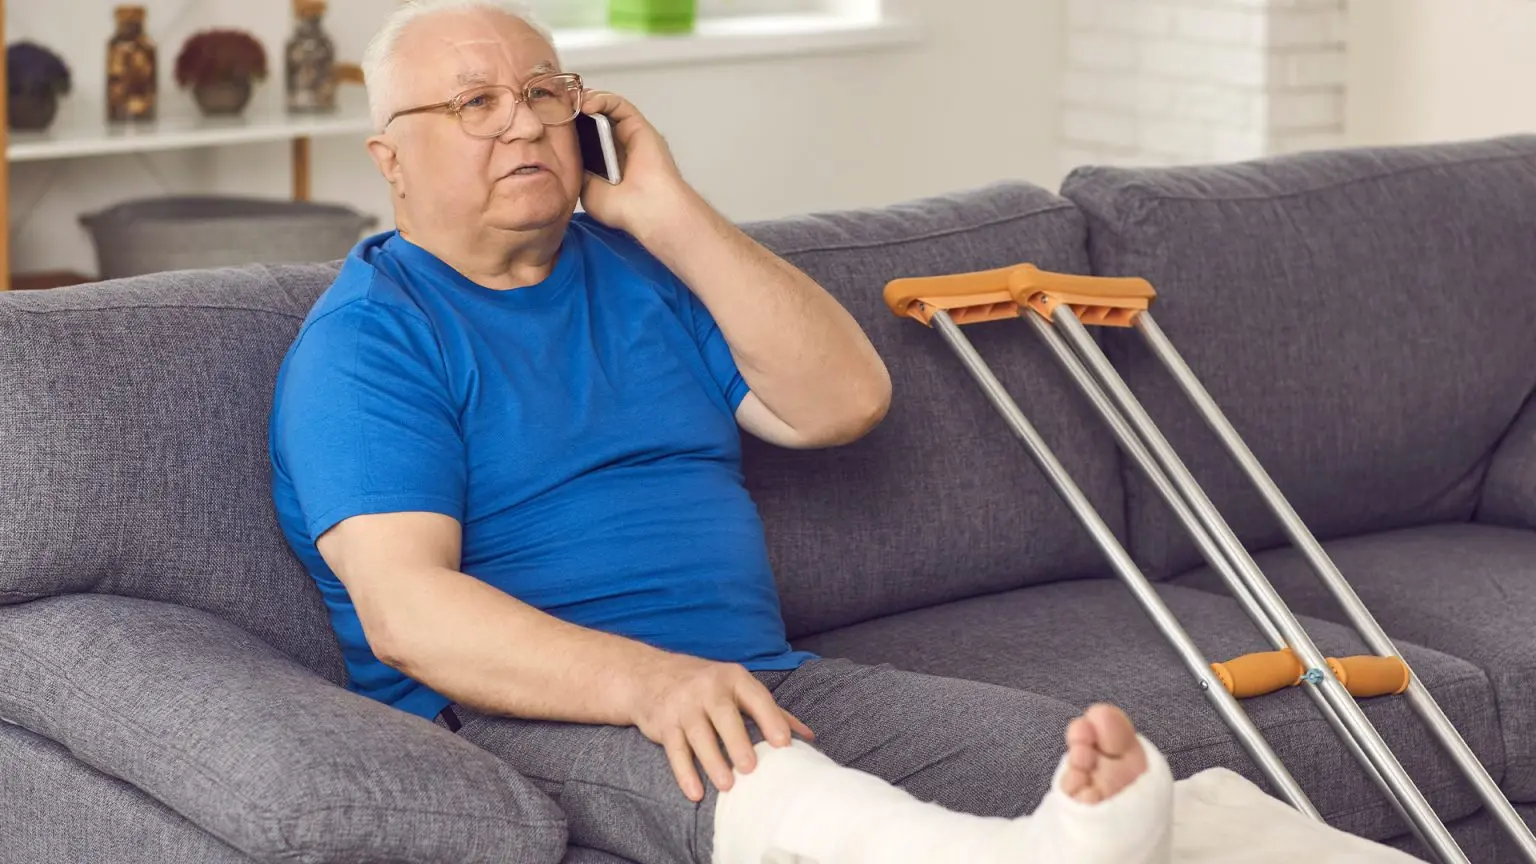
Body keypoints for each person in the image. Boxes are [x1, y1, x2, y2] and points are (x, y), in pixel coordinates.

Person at [268, 3, 1418, 863]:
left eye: (543, 92)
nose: (522, 121)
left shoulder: (641, 271)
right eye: (474, 105)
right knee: (790, 800)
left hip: (764, 678)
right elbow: (407, 613)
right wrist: (651, 684)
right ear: (390, 160)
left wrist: (670, 211)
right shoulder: (373, 339)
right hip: (536, 713)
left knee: (1122, 779)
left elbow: (841, 400)